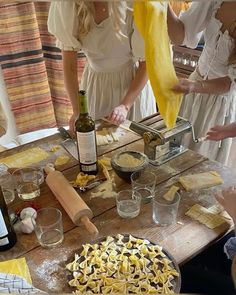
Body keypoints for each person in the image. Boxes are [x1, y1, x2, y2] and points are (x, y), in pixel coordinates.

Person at [47, 1, 156, 133]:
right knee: (98, 145)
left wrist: (125, 106)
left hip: (132, 86)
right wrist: (77, 111)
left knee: (134, 146)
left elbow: (147, 64)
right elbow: (69, 66)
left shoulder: (136, 4)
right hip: (94, 86)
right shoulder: (69, 5)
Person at [167, 1, 236, 166]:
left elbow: (230, 83)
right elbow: (180, 37)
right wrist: (164, 7)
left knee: (200, 164)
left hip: (219, 104)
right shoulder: (214, 2)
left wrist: (194, 86)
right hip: (192, 90)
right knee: (176, 156)